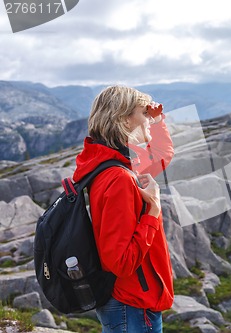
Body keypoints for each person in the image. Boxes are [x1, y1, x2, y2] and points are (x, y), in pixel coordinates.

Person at [72, 85, 175, 332]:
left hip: (131, 302)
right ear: (124, 119)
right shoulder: (119, 178)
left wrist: (158, 120)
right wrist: (153, 210)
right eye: (143, 112)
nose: (148, 117)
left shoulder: (111, 161)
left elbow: (162, 153)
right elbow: (119, 262)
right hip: (133, 304)